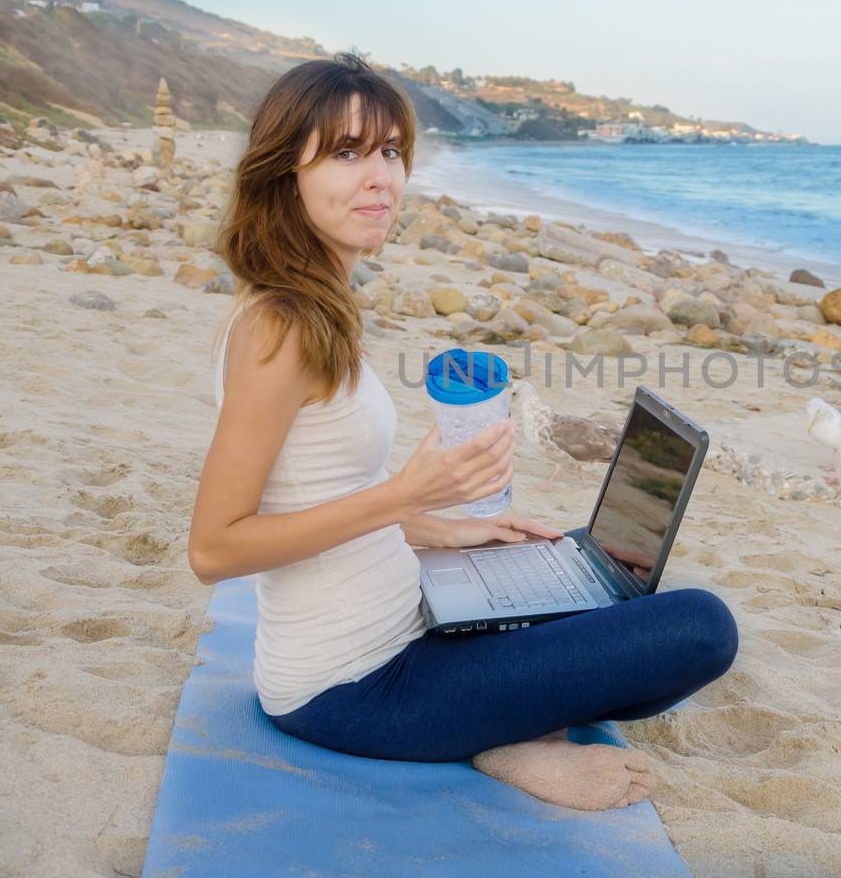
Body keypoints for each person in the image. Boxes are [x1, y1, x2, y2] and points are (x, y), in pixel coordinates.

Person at [186, 54, 738, 811]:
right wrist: (402, 497)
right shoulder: (279, 328)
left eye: (389, 152)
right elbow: (214, 547)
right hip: (353, 686)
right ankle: (500, 737)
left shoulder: (315, 306)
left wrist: (435, 526)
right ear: (287, 173)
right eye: (347, 153)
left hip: (409, 618)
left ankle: (504, 710)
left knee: (604, 568)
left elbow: (309, 494)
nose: (381, 177)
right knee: (701, 628)